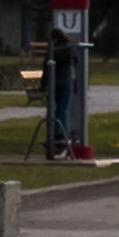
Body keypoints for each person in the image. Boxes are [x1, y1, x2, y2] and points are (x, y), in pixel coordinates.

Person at [44, 27, 81, 160]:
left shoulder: (53, 50)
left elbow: (46, 67)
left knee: (52, 109)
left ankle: (53, 133)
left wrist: (43, 86)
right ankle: (63, 134)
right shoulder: (69, 48)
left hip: (54, 80)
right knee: (63, 109)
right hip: (66, 80)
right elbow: (74, 64)